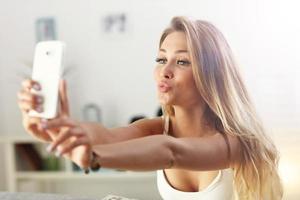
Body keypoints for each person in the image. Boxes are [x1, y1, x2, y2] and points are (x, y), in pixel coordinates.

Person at [17, 16, 283, 200]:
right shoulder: (154, 128)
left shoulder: (235, 142)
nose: (164, 71)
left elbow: (170, 152)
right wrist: (58, 128)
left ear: (211, 75)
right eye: (161, 59)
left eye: (182, 62)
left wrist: (93, 156)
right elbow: (108, 136)